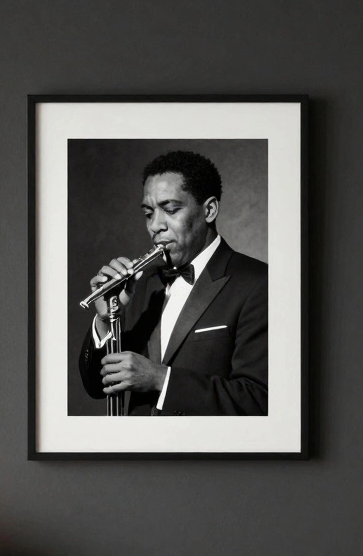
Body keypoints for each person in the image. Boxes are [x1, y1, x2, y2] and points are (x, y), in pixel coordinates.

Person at [79, 150, 268, 416]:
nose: (155, 225)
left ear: (209, 210)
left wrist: (161, 380)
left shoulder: (259, 283)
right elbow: (97, 387)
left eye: (170, 209)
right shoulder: (142, 286)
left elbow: (259, 400)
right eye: (148, 213)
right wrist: (106, 319)